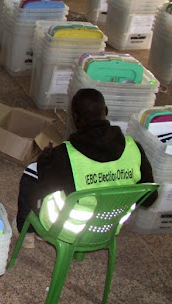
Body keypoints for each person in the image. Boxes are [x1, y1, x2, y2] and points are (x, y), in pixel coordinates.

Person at [16, 88, 157, 247]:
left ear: (75, 117)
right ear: (106, 111)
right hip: (109, 226)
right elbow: (149, 199)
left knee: (31, 173)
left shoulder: (65, 155)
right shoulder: (135, 149)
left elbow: (45, 185)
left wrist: (45, 159)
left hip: (71, 228)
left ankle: (26, 232)